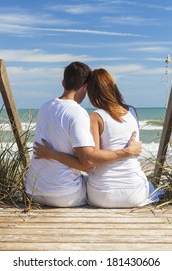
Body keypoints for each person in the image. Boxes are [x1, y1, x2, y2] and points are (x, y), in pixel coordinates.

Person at [26, 62, 142, 208]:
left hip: (33, 191)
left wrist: (50, 153)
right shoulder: (79, 113)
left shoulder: (45, 106)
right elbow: (87, 164)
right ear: (85, 87)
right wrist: (127, 152)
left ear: (63, 83)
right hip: (65, 196)